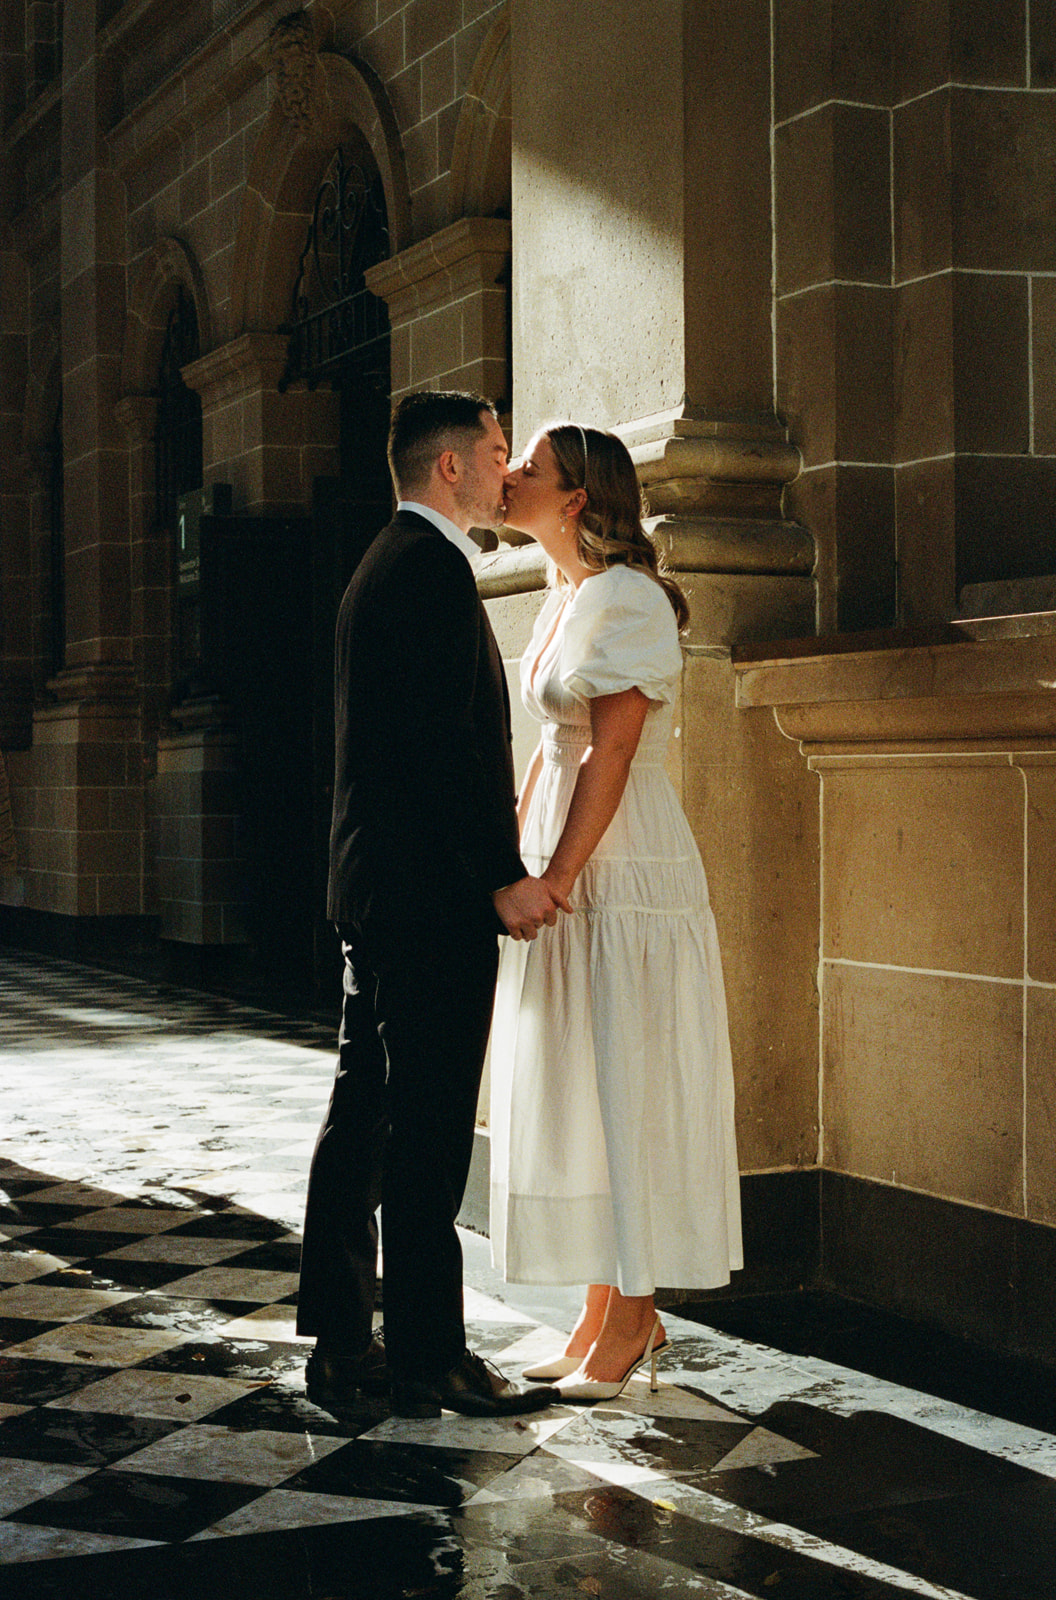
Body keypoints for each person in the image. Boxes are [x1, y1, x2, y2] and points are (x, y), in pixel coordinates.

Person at [297, 391, 567, 1419]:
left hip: (382, 887)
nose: (506, 471)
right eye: (496, 453)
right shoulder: (426, 567)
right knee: (426, 1128)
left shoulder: (387, 562)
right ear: (449, 467)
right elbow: (435, 752)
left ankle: (340, 1338)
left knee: (364, 1110)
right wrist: (497, 873)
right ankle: (425, 1353)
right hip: (425, 896)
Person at [489, 421, 743, 1401]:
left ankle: (634, 1317)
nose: (508, 477)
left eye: (528, 469)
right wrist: (508, 858)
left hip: (620, 867)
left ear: (574, 499)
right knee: (586, 1084)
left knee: (626, 1084)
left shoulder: (627, 597)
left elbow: (611, 750)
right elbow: (546, 751)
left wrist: (554, 874)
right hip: (565, 851)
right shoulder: (566, 594)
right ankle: (601, 1307)